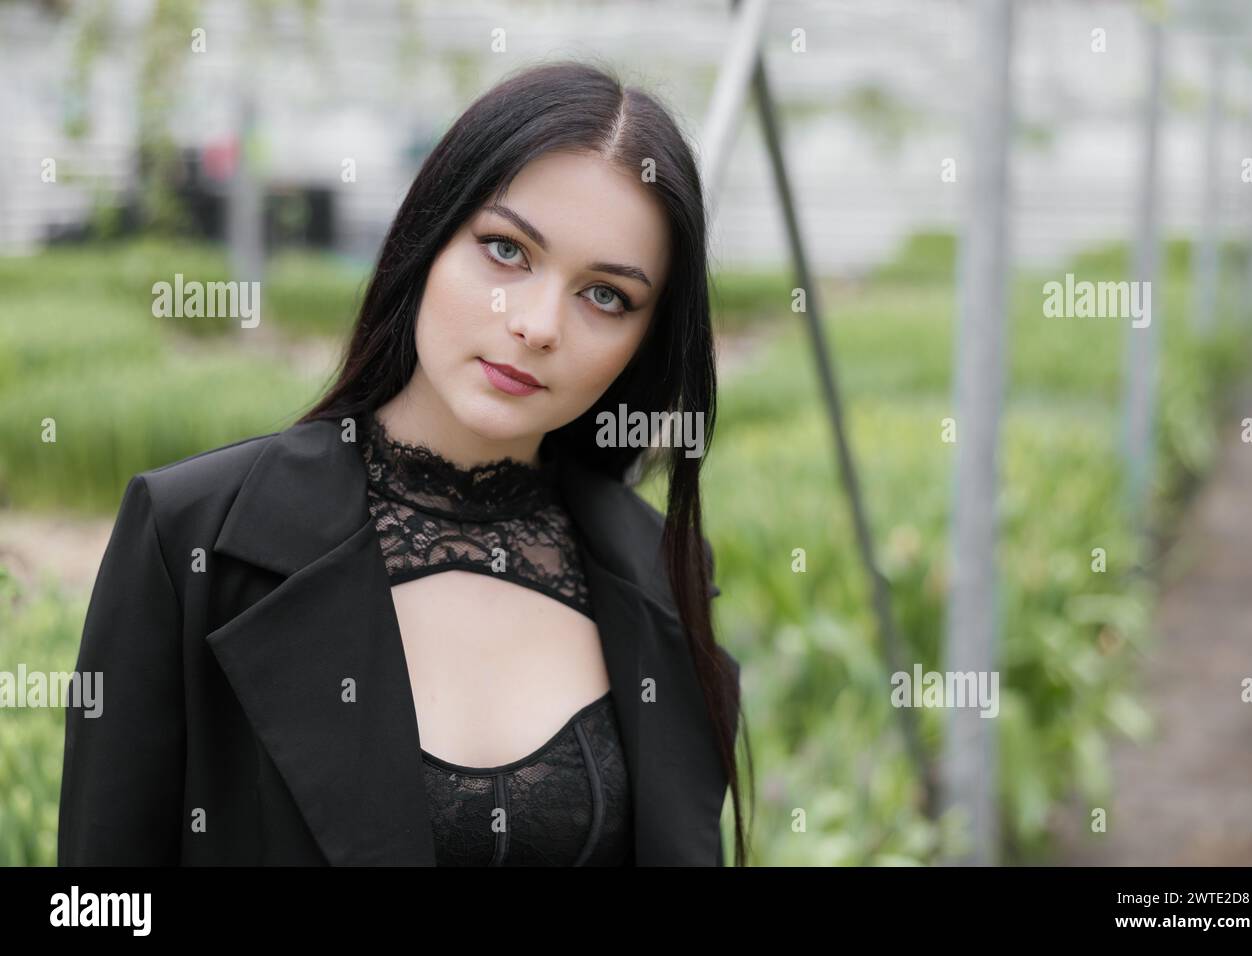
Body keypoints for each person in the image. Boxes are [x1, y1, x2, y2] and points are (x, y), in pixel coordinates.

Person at [58, 60, 750, 867]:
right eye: (505, 249)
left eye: (605, 296)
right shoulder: (194, 539)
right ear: (428, 237)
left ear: (645, 340)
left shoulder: (662, 572)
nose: (536, 324)